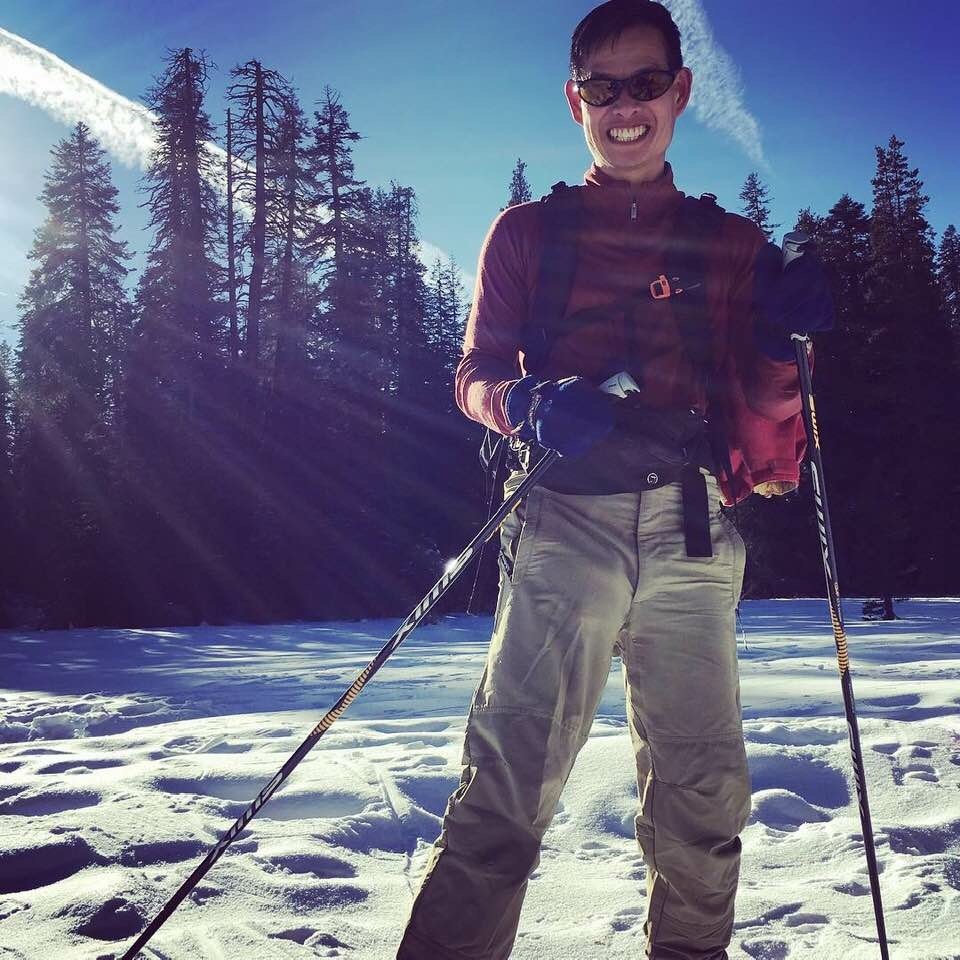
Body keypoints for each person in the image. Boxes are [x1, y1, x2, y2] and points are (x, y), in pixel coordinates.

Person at [397, 2, 833, 958]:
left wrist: (773, 341)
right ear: (574, 100)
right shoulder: (526, 236)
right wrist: (529, 404)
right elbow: (474, 376)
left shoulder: (732, 248)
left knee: (705, 799)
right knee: (505, 793)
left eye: (645, 85)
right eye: (602, 87)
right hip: (563, 521)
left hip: (690, 523)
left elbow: (767, 417)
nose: (623, 107)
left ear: (680, 93)